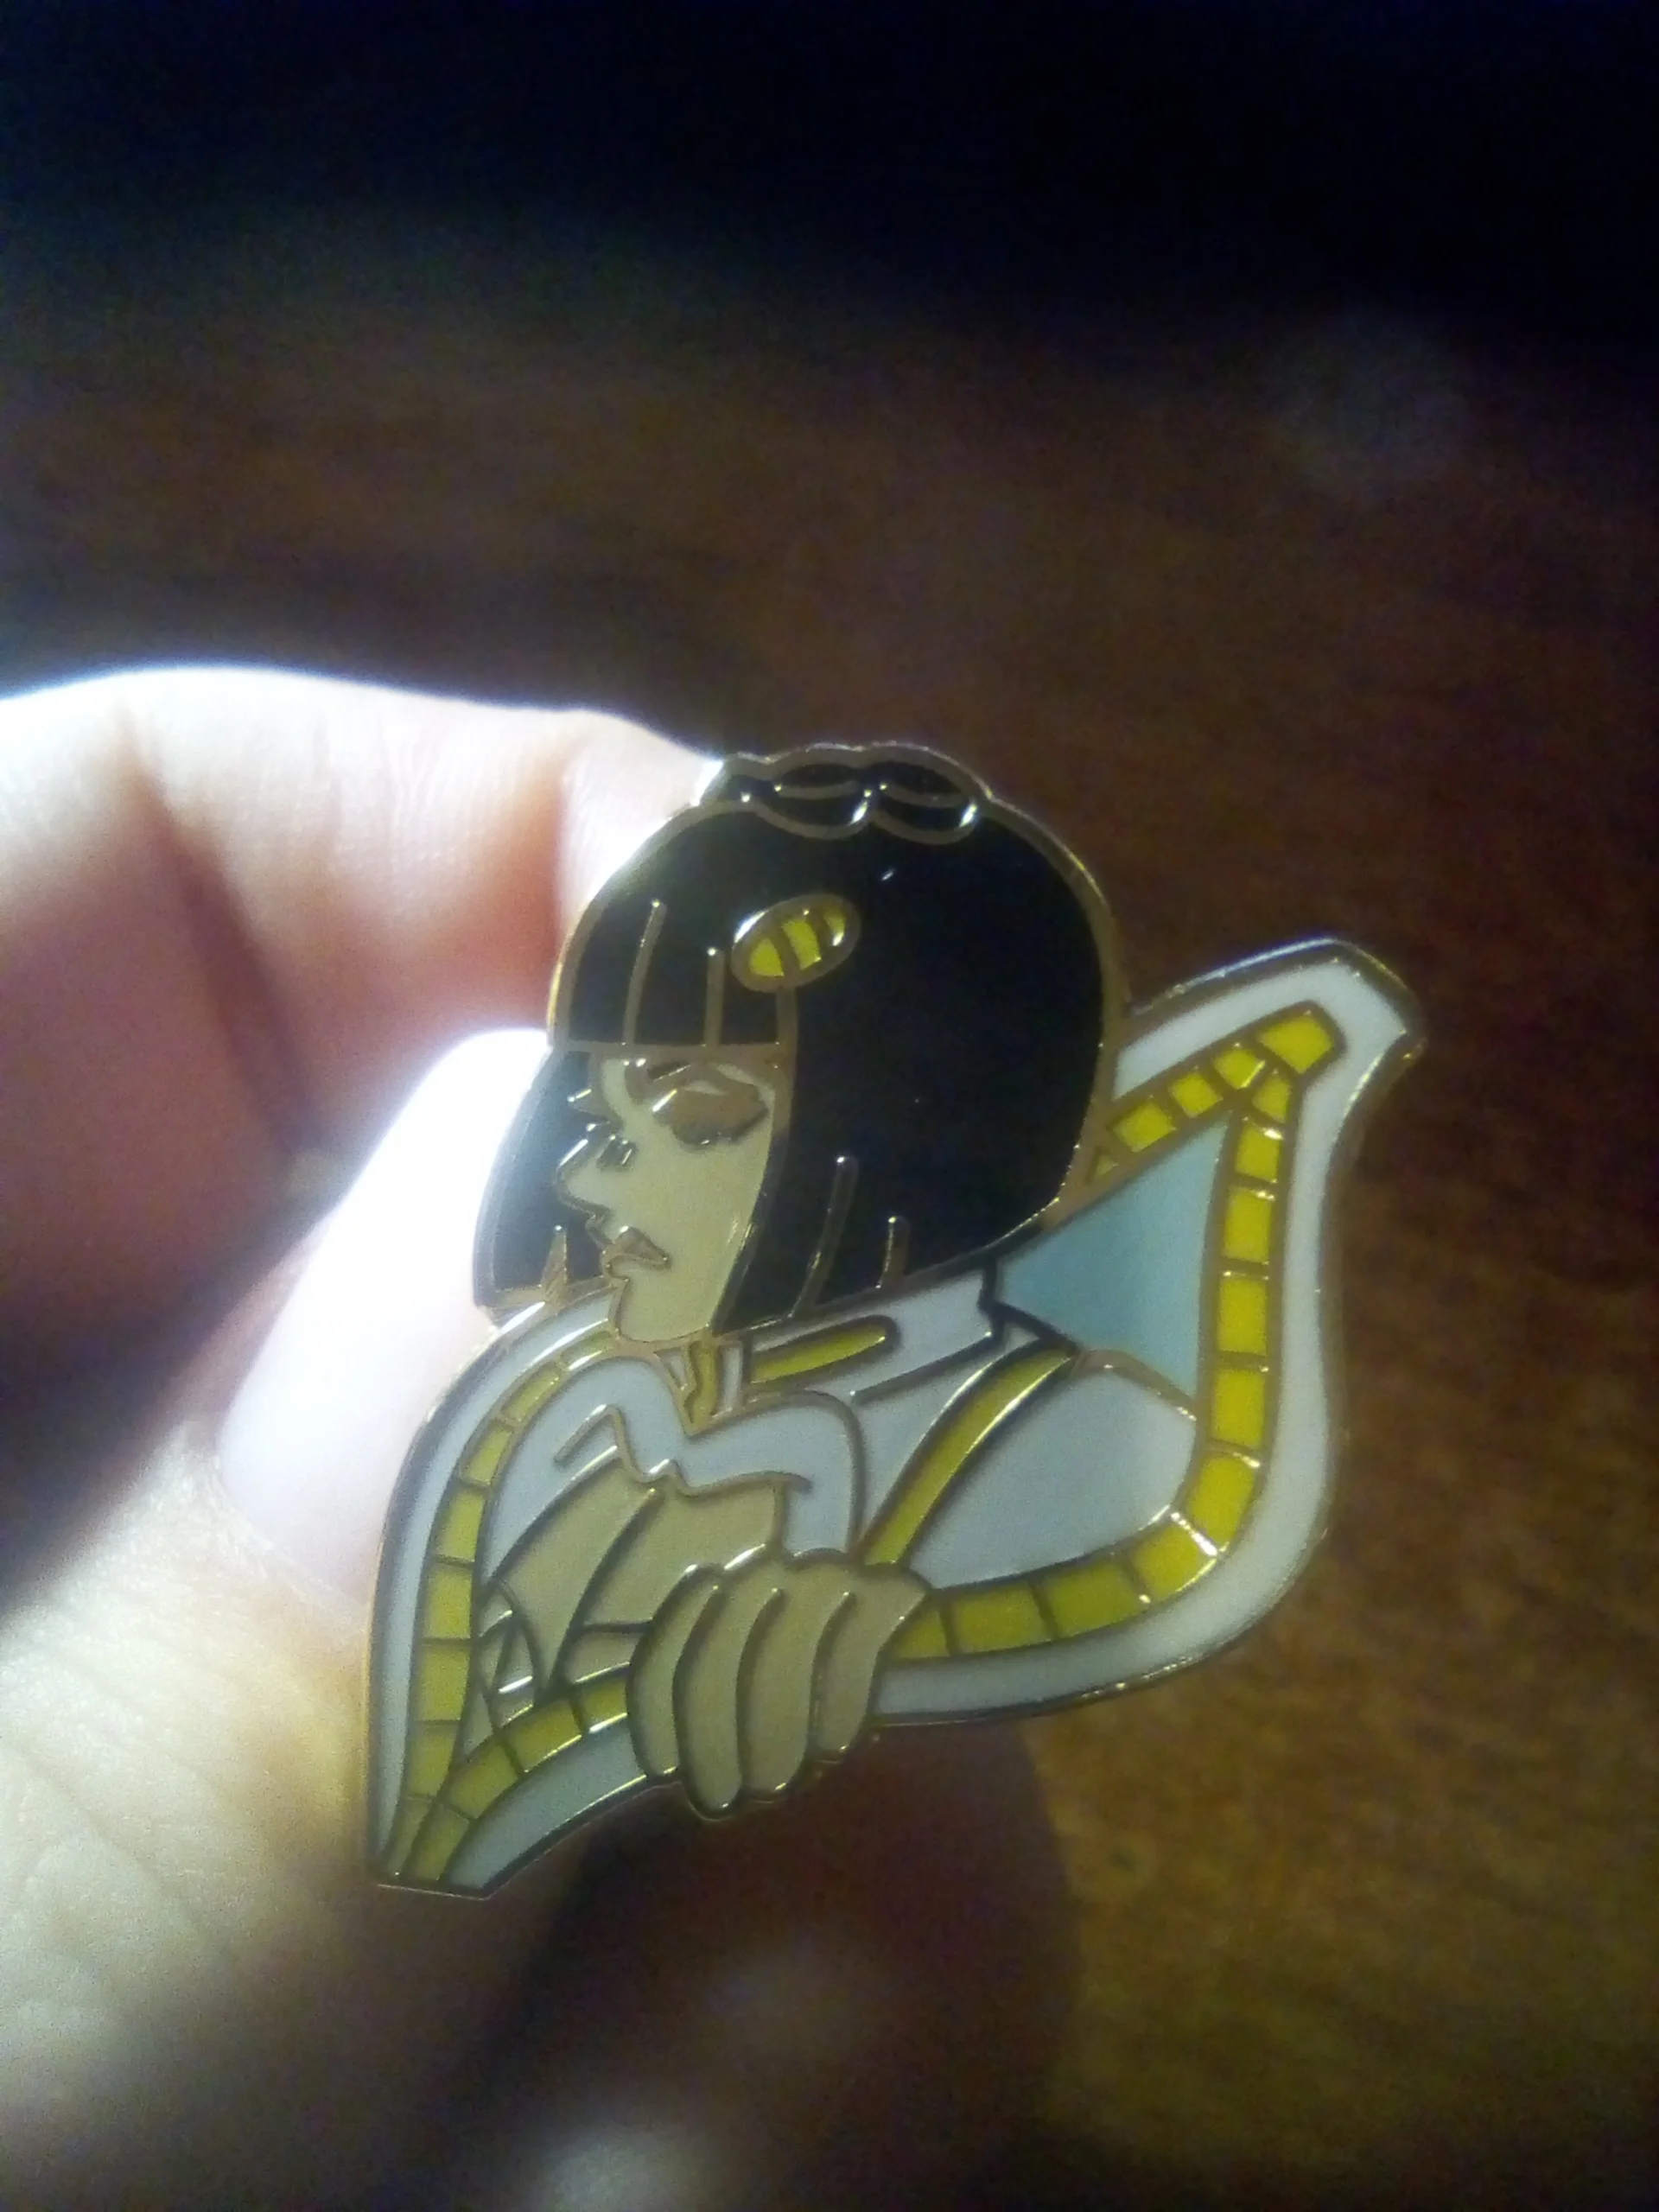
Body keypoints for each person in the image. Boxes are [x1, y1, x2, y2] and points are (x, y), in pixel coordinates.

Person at [0, 669, 1069, 2209]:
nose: (592, 1164)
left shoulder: (825, 1460)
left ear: (893, 1174)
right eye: (608, 1099)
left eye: (693, 1113)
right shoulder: (590, 1415)